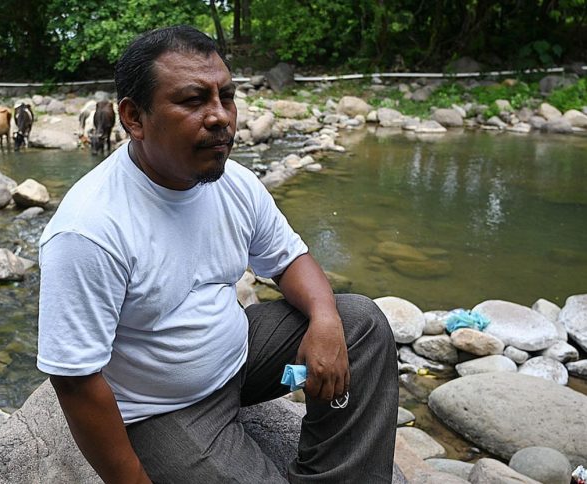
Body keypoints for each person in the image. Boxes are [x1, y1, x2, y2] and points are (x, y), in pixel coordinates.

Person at [37, 25, 398, 483]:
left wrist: (325, 319)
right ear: (133, 118)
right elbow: (74, 379)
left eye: (225, 96)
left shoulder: (234, 183)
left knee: (360, 322)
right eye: (193, 101)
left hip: (241, 360)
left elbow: (288, 261)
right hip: (163, 409)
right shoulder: (89, 229)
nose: (220, 117)